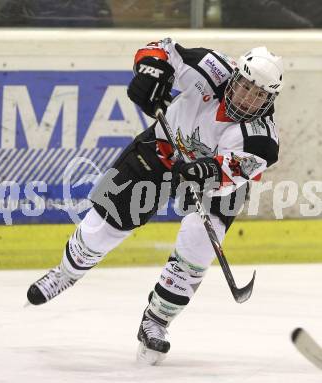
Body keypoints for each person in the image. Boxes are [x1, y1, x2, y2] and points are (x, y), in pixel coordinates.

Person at [27, 38, 284, 365]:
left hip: (219, 185)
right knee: (101, 225)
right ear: (235, 76)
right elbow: (161, 48)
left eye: (258, 95)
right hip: (161, 149)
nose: (246, 98)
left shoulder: (261, 139)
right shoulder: (210, 67)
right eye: (245, 86)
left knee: (197, 248)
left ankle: (157, 321)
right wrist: (151, 73)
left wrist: (202, 172)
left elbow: (226, 175)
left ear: (269, 99)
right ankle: (65, 273)